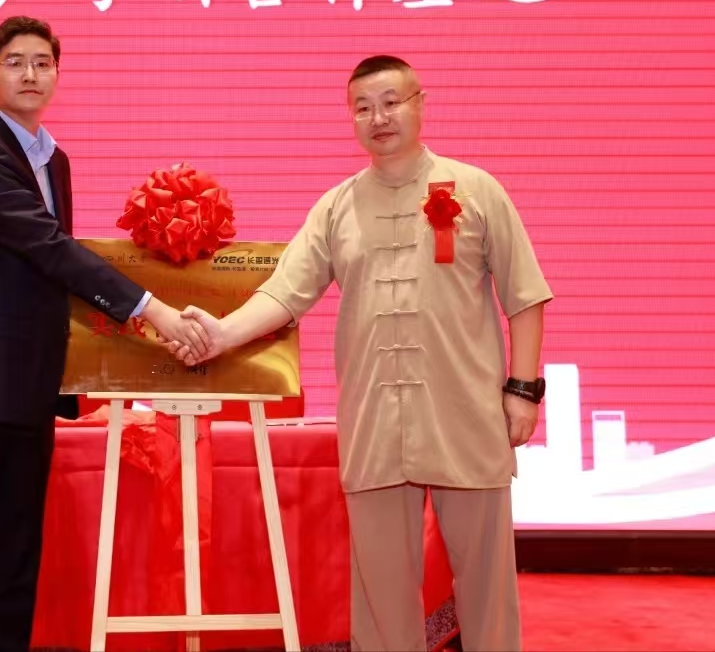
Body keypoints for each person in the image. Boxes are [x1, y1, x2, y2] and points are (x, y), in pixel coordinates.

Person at [171, 55, 552, 651]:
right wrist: (220, 334)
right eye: (363, 108)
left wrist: (523, 391)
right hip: (375, 422)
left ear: (420, 105)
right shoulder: (336, 207)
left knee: (485, 580)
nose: (379, 118)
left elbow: (525, 295)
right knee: (381, 593)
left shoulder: (477, 190)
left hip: (468, 414)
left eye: (392, 102)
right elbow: (284, 292)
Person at [0, 16, 209, 652]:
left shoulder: (55, 160)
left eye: (42, 63)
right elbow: (50, 249)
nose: (30, 74)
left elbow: (55, 273)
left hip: (29, 390)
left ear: (57, 74)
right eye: (15, 62)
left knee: (16, 554)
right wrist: (153, 311)